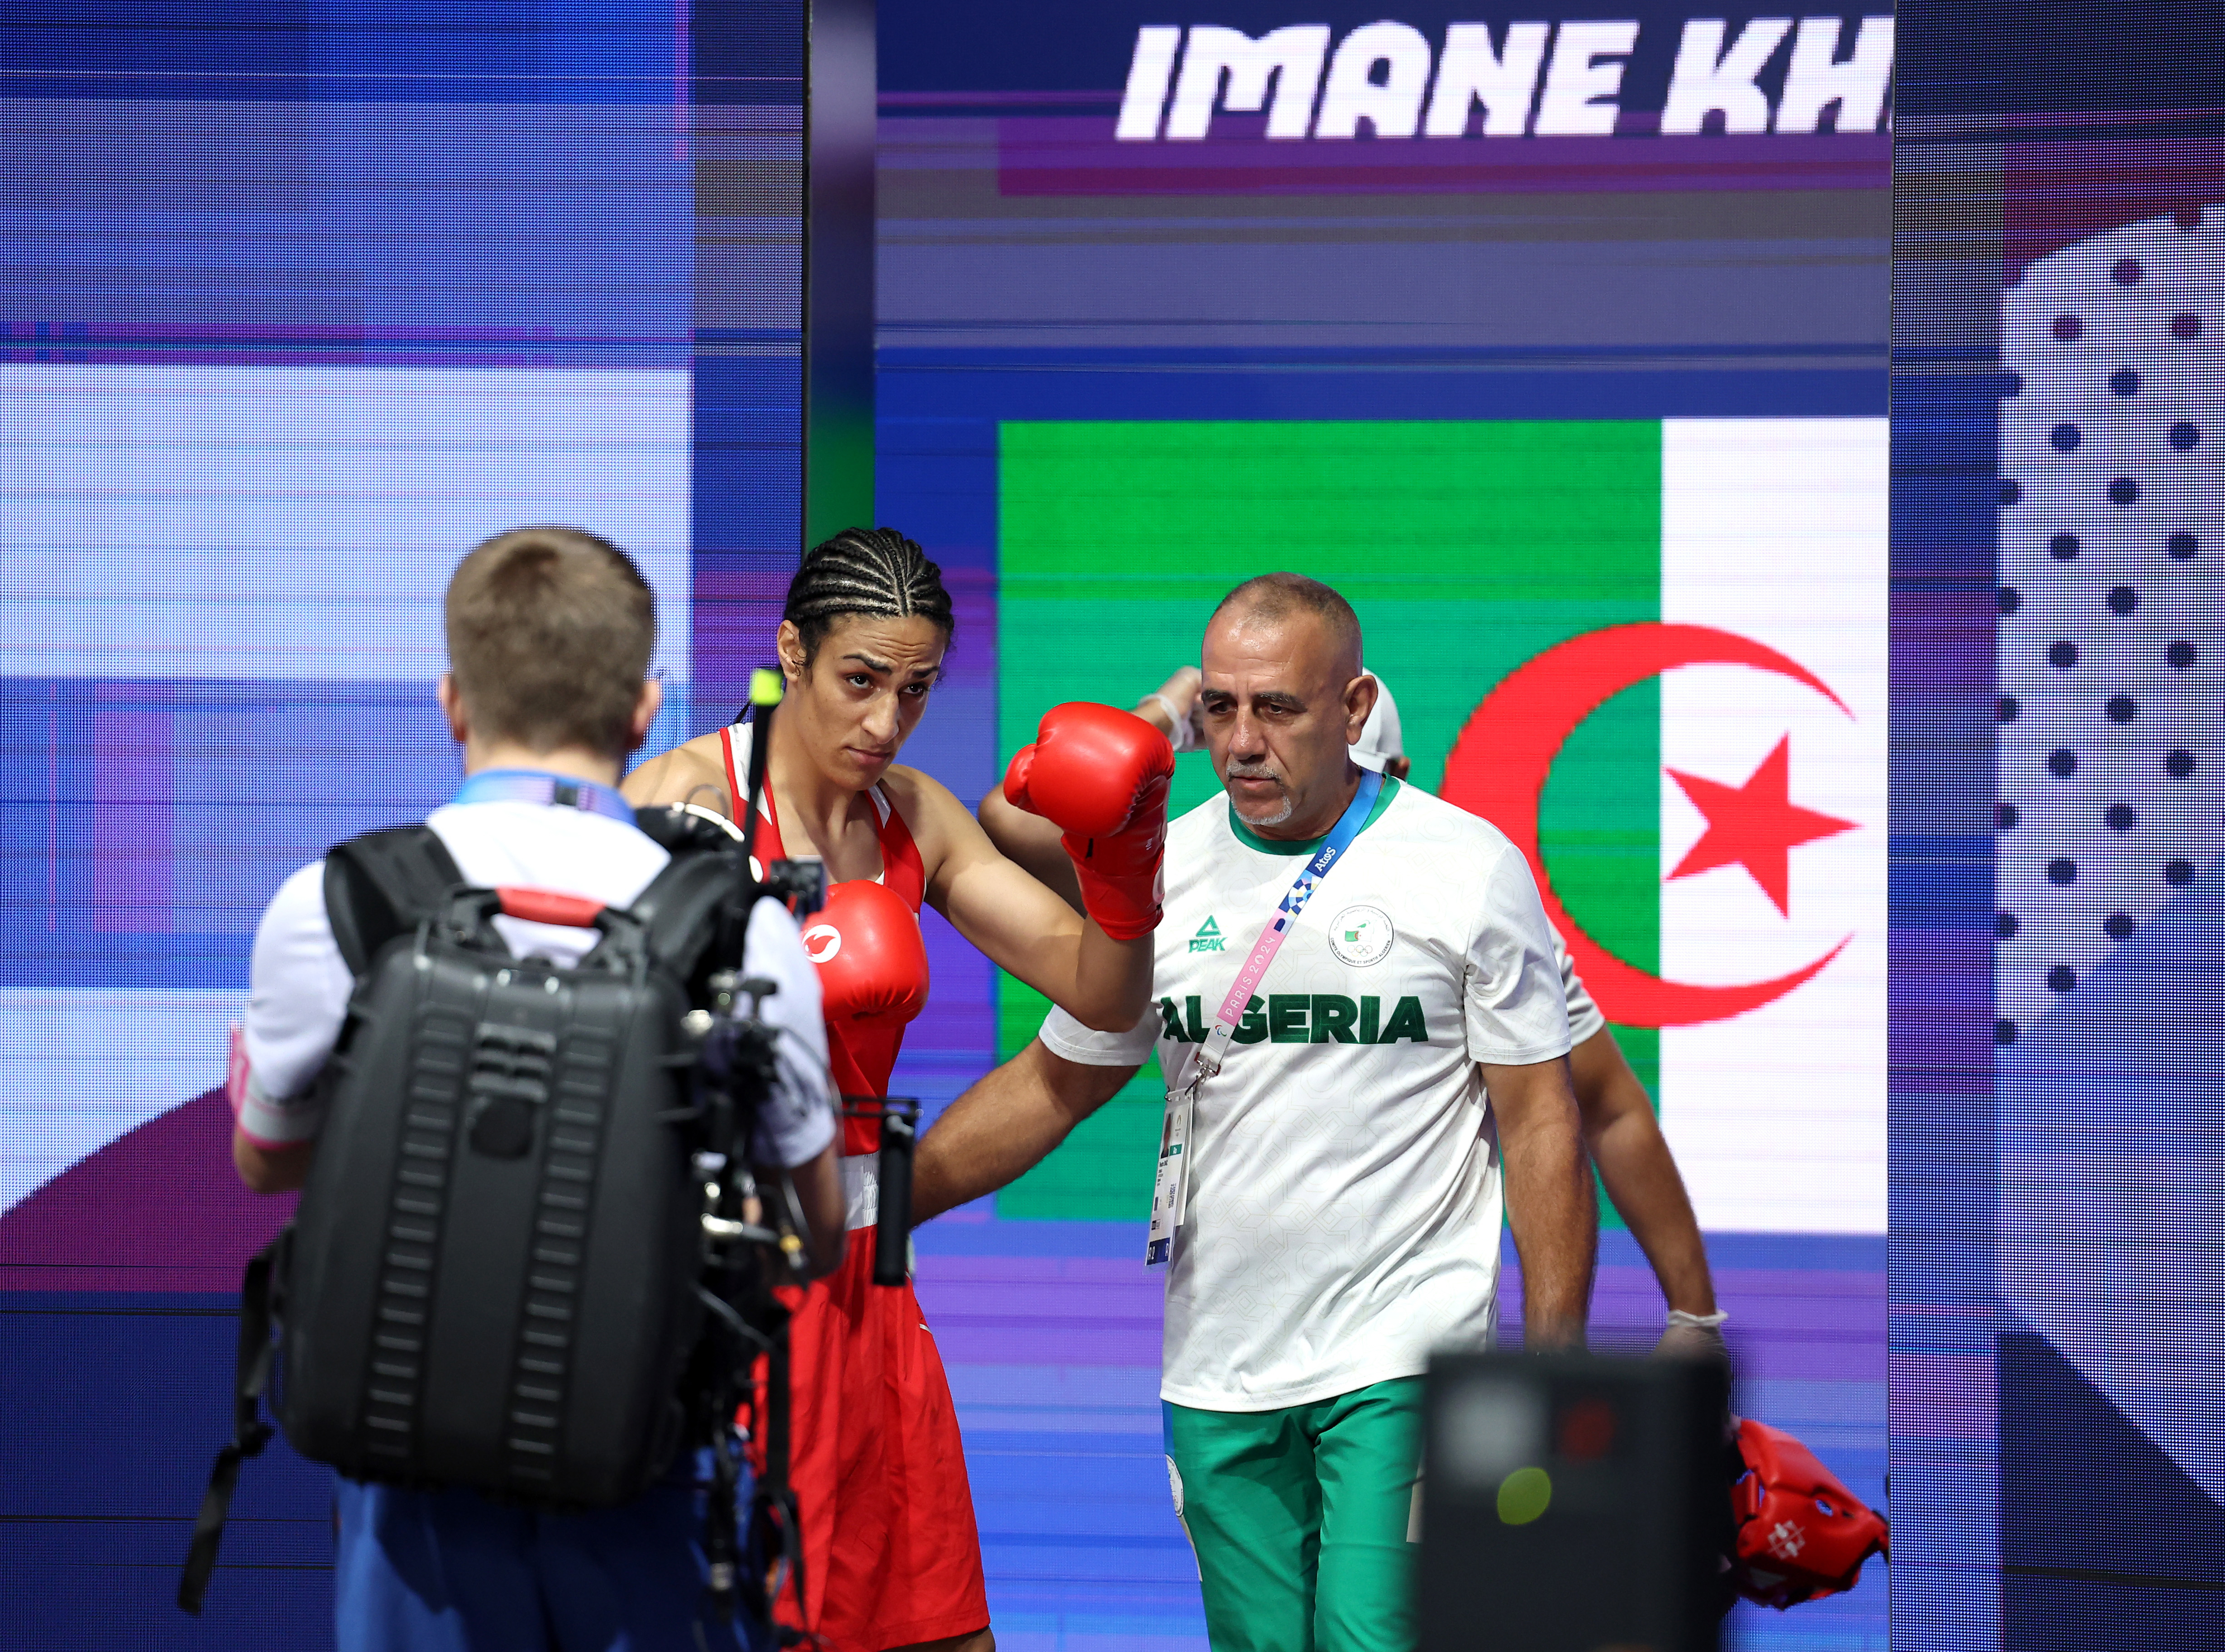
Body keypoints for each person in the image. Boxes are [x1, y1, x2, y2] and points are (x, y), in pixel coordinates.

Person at [915, 574, 1599, 1652]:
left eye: (1277, 707)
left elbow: (1542, 1123)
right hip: (1218, 1366)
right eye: (1222, 708)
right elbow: (1054, 1077)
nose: (1242, 741)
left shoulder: (1467, 867)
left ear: (1355, 707)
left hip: (1403, 1351)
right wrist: (874, 1202)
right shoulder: (1160, 870)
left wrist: (1551, 1373)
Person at [227, 526, 847, 1652]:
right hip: (647, 1480)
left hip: (408, 1505)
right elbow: (819, 1227)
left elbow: (267, 1158)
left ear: (453, 701)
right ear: (645, 709)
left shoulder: (334, 903)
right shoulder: (743, 929)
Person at [623, 527, 1171, 1652]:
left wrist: (1123, 877)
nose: (885, 722)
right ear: (792, 652)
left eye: (915, 690)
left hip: (872, 1290)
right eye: (860, 681)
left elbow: (1103, 994)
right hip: (719, 1290)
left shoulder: (912, 813)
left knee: (945, 1637)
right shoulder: (679, 805)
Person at [978, 666, 1728, 1362]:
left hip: (1400, 1346)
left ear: (1397, 776)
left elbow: (1605, 1110)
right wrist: (1166, 718)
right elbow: (1014, 820)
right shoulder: (1184, 875)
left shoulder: (1472, 904)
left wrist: (1694, 1321)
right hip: (1231, 1357)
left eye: (1364, 779)